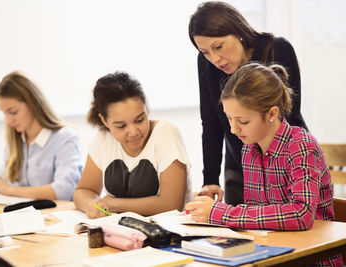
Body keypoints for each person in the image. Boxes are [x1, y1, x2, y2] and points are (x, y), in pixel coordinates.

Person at [185, 63, 342, 266]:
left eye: (243, 121)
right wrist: (209, 214)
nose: (233, 129)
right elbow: (256, 214)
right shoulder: (249, 150)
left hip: (312, 259)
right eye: (229, 118)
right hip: (272, 254)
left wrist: (221, 213)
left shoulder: (301, 145)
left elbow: (300, 214)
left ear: (272, 114)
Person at [188, 1, 308, 205]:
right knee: (241, 233)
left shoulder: (277, 49)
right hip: (240, 165)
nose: (214, 58)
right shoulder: (206, 65)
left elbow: (288, 114)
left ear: (238, 31)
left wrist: (269, 171)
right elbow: (211, 124)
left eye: (218, 47)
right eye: (205, 52)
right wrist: (210, 180)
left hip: (286, 161)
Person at [73, 71, 193, 218]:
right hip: (122, 234)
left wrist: (113, 204)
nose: (133, 132)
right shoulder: (103, 139)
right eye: (121, 126)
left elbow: (171, 205)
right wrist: (91, 205)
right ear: (104, 121)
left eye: (139, 120)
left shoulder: (165, 132)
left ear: (146, 108)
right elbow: (83, 191)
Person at [0, 71, 83, 201]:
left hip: (55, 215)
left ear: (33, 104)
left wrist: (10, 190)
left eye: (13, 112)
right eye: (4, 113)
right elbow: (5, 177)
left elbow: (64, 191)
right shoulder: (16, 138)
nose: (8, 120)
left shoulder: (64, 137)